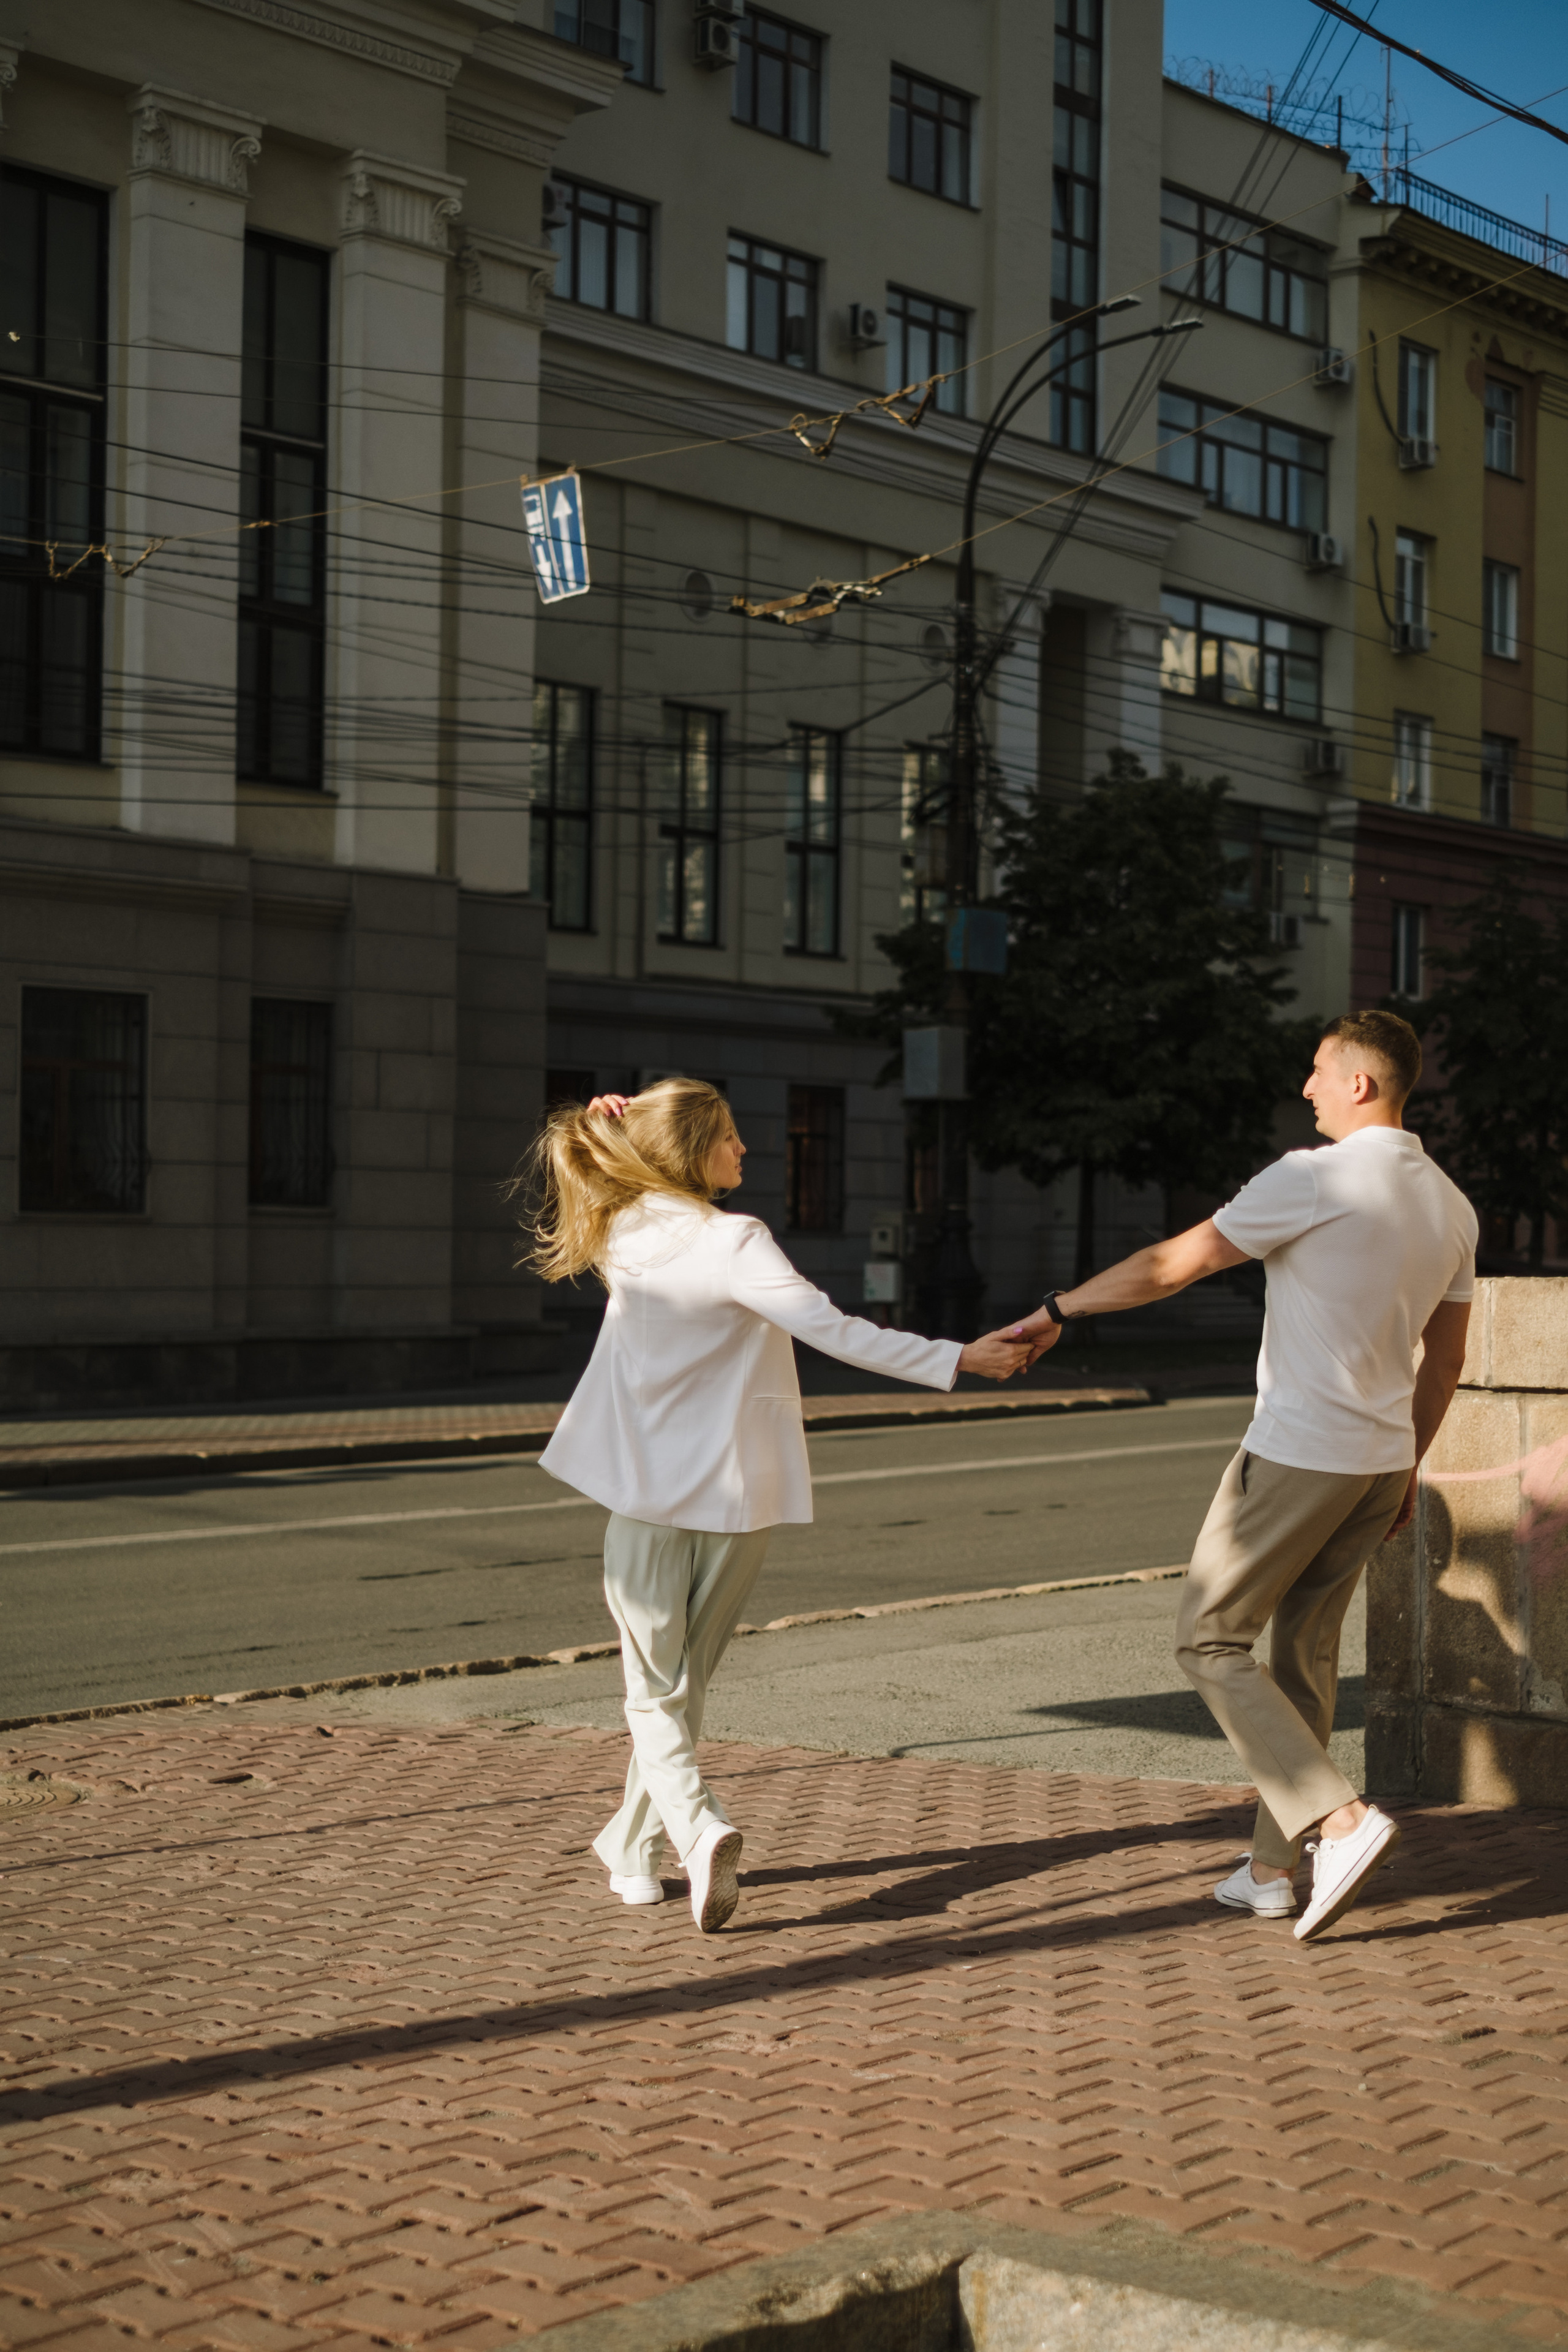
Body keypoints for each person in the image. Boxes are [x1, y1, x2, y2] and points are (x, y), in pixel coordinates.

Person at [1009, 1011, 1477, 1943]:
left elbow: (1169, 1265)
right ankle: (1270, 1869)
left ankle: (1339, 1822)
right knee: (1302, 1657)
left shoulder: (1312, 1178)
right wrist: (1409, 1468)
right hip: (1380, 1461)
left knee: (1210, 1640)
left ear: (1360, 1083)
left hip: (1302, 1454)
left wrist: (1059, 1309)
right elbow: (1444, 1364)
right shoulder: (1451, 1204)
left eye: (1316, 1072)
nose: (1305, 1089)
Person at [524, 1079, 1030, 1935]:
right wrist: (960, 1359)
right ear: (693, 1152)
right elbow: (837, 1331)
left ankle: (671, 1835)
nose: (746, 1151)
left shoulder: (623, 1227)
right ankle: (655, 1844)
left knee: (654, 1691)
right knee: (680, 1690)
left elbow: (581, 1167)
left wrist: (599, 1122)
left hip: (646, 1498)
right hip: (735, 1496)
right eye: (730, 1137)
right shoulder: (734, 1240)